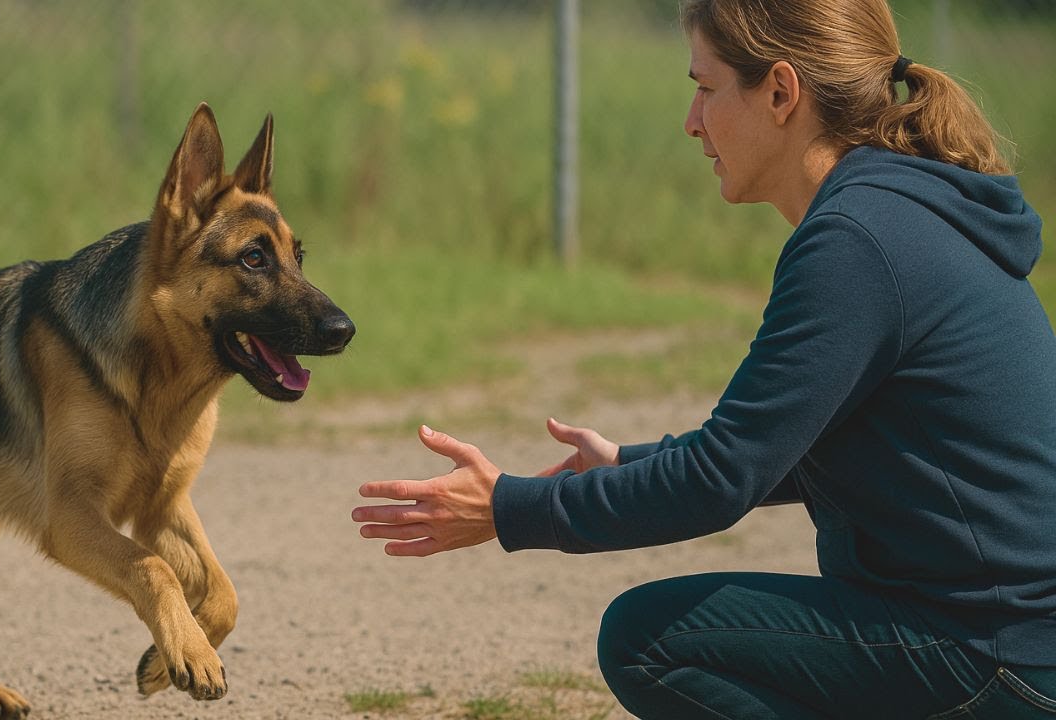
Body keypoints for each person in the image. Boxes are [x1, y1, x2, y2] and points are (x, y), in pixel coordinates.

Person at [350, 0, 1056, 717]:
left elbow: (722, 479)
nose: (692, 120)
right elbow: (776, 448)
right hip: (1011, 643)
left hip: (996, 656)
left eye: (706, 86)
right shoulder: (894, 211)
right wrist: (631, 462)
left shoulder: (858, 240)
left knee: (650, 638)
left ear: (781, 92)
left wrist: (509, 508)